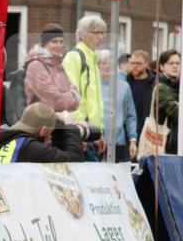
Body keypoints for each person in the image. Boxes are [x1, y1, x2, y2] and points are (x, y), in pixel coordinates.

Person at [62, 15, 106, 157]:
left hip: (93, 133)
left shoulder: (92, 58)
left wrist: (99, 132)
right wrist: (79, 129)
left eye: (102, 33)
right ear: (82, 33)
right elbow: (70, 96)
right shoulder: (74, 57)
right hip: (82, 131)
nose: (100, 37)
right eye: (96, 32)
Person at [0, 102, 89, 164]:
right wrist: (71, 129)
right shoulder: (29, 147)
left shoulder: (3, 136)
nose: (49, 140)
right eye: (50, 134)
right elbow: (73, 162)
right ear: (43, 130)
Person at [23, 24, 80, 114]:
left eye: (61, 42)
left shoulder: (58, 65)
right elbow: (55, 101)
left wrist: (70, 95)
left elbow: (75, 105)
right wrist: (73, 95)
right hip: (40, 122)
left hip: (59, 120)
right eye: (54, 41)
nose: (59, 45)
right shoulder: (36, 65)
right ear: (45, 43)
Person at [97, 50, 137, 162]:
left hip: (119, 142)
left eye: (110, 63)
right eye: (103, 63)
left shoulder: (124, 86)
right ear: (97, 65)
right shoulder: (91, 86)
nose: (107, 66)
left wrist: (132, 140)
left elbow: (131, 115)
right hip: (95, 141)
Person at [126, 50, 156, 141]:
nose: (135, 66)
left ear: (146, 64)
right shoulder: (125, 82)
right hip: (128, 132)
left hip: (148, 131)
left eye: (138, 63)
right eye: (132, 63)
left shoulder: (155, 83)